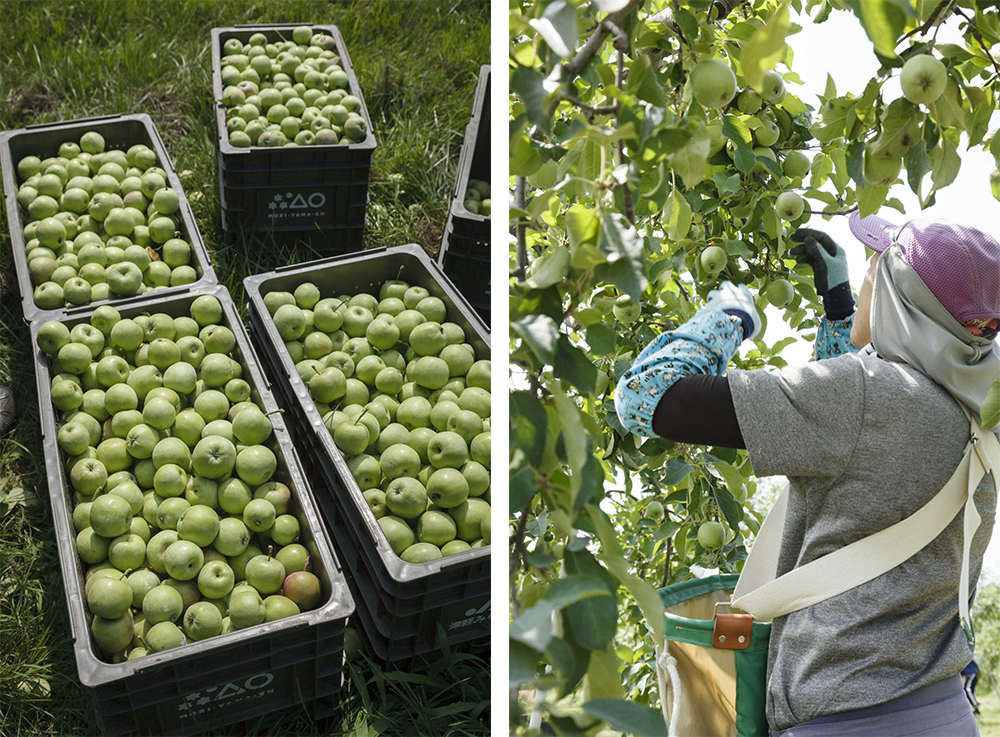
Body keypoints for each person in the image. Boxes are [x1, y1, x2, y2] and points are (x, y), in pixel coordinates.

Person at [616, 213, 999, 736]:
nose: (867, 272)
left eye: (875, 267)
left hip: (841, 720)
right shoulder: (980, 411)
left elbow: (646, 397)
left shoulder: (865, 394)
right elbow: (851, 447)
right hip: (943, 712)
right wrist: (840, 307)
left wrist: (726, 319)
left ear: (899, 297)